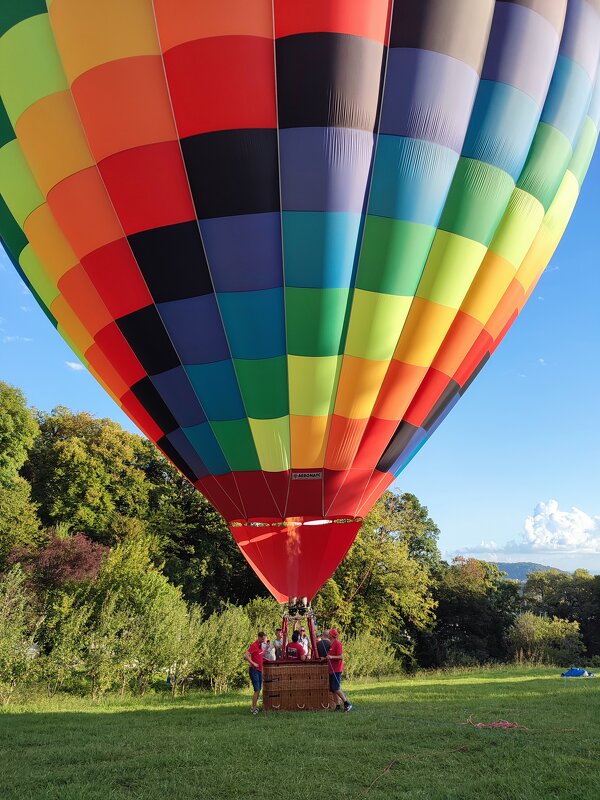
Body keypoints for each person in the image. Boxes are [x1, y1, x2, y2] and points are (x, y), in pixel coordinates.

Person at [327, 629, 352, 711]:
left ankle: (346, 703)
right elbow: (331, 655)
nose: (328, 634)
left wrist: (331, 657)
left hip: (337, 669)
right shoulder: (332, 644)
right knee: (332, 689)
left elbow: (341, 657)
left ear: (332, 635)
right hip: (331, 669)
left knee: (336, 688)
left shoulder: (338, 644)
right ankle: (337, 706)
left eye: (329, 633)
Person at [244, 631, 267, 714]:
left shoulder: (260, 645)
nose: (264, 640)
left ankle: (254, 707)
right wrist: (253, 663)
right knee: (257, 690)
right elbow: (246, 655)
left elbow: (260, 655)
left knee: (258, 689)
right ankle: (253, 709)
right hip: (254, 671)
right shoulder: (254, 645)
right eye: (263, 639)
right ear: (259, 637)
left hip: (259, 670)